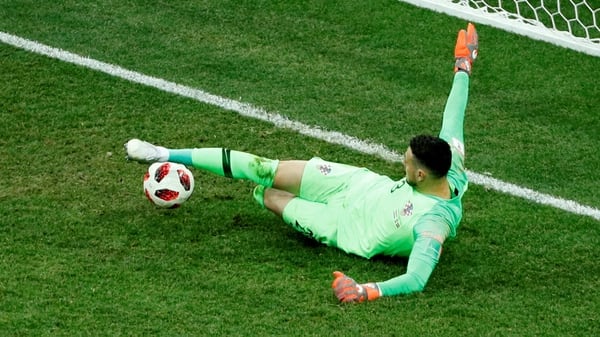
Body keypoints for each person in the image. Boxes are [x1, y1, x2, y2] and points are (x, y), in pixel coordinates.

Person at [125, 23, 478, 303]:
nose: (401, 163)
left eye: (405, 162)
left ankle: (279, 203)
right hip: (354, 184)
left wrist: (367, 290)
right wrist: (463, 65)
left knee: (266, 195)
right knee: (265, 168)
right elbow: (454, 115)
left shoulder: (433, 224)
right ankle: (164, 153)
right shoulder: (450, 161)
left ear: (420, 173)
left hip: (342, 226)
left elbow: (416, 279)